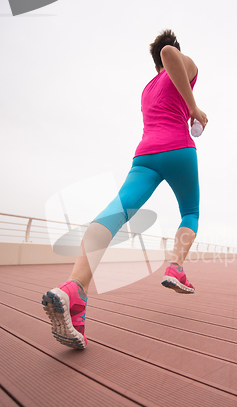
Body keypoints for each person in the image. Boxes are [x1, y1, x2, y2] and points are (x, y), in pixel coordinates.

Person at [42, 29, 208, 350]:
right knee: (190, 212)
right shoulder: (180, 59)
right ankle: (176, 266)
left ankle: (75, 290)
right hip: (177, 149)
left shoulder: (147, 89)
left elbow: (163, 63)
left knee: (115, 212)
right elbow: (169, 56)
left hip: (145, 154)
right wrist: (195, 110)